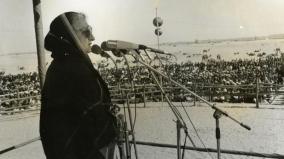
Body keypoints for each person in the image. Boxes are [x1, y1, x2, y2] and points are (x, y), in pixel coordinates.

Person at [40, 12, 117, 159]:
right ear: (68, 35)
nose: (92, 37)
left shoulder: (65, 65)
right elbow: (91, 124)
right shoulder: (71, 70)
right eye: (86, 31)